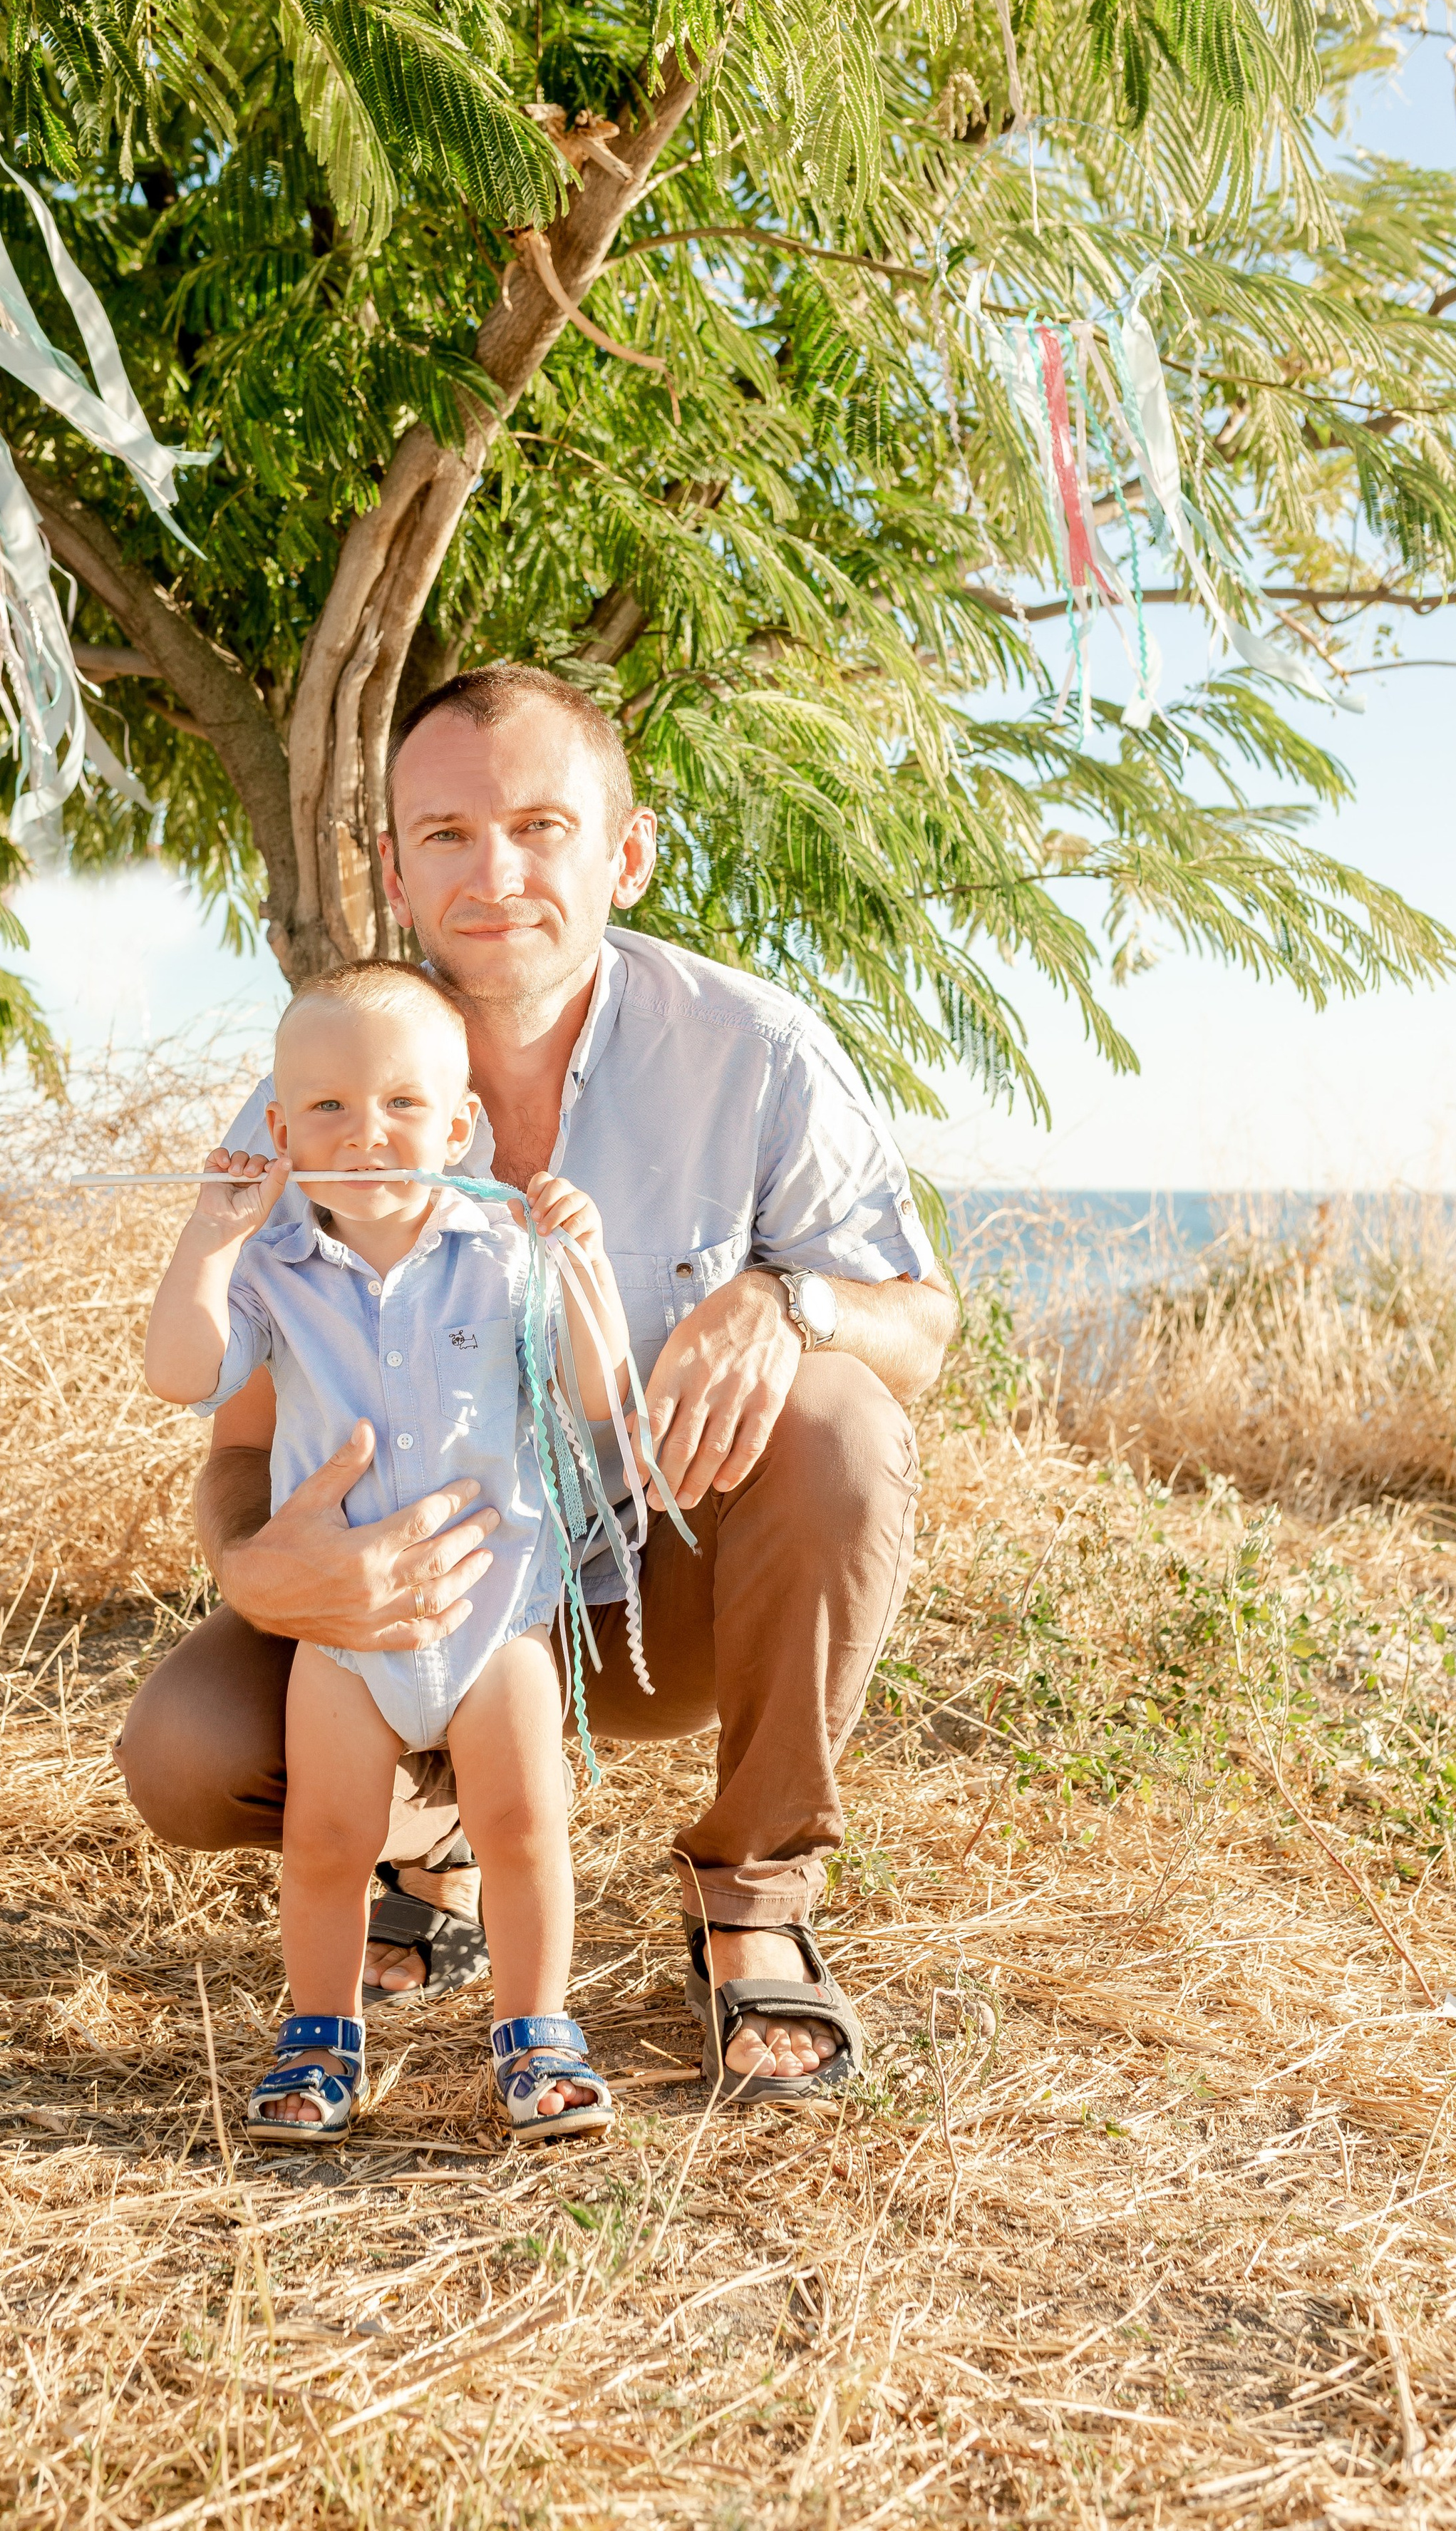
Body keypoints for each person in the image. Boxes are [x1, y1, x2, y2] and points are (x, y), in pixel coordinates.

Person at [119, 662, 958, 2103]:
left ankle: (749, 1903)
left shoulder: (751, 1053)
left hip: (645, 1600)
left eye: (539, 827)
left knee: (840, 1420)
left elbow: (919, 1325)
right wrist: (263, 1574)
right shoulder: (315, 1094)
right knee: (183, 1753)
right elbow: (232, 1435)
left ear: (624, 852)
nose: (491, 873)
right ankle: (422, 1838)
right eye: (443, 834)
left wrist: (784, 1298)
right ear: (392, 868)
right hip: (397, 1606)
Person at [143, 959, 624, 2145]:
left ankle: (535, 2031)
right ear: (281, 1130)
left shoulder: (507, 1251)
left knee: (523, 1828)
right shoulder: (272, 1269)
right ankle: (319, 2039)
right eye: (329, 1109)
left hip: (494, 1620)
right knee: (326, 1841)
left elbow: (600, 1394)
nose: (368, 1133)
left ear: (460, 1125)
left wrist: (586, 1265)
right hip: (348, 1638)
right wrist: (210, 1236)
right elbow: (182, 1373)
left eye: (405, 1105)